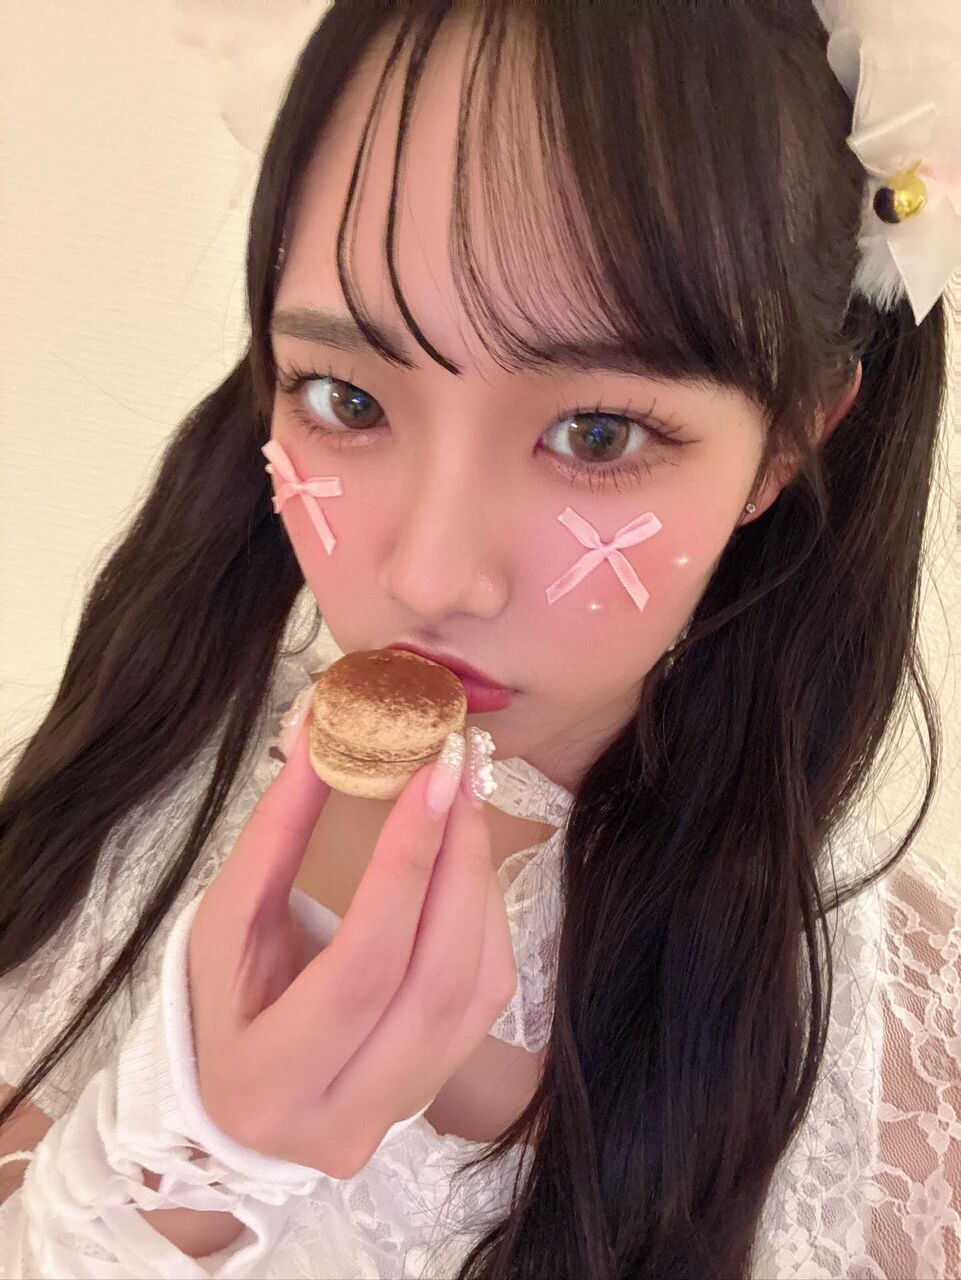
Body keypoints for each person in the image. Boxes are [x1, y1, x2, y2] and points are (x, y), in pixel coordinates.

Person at [1, 1, 959, 1276]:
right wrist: (182, 1173)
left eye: (597, 434)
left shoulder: (901, 1056)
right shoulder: (119, 805)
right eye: (346, 397)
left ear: (787, 440)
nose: (429, 574)